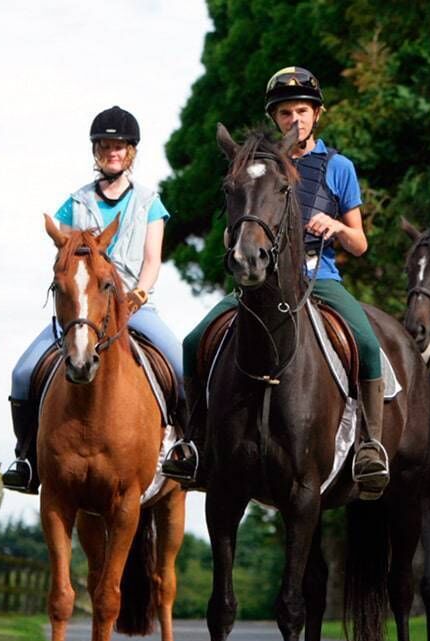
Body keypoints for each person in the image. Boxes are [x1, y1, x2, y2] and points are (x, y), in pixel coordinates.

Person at [162, 66, 390, 497]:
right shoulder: (256, 166)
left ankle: (370, 446)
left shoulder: (338, 167)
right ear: (275, 120)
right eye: (285, 113)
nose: (294, 120)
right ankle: (194, 443)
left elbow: (360, 243)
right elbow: (234, 230)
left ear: (317, 114)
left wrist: (336, 227)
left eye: (302, 111)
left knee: (368, 343)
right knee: (194, 342)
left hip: (318, 278)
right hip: (261, 283)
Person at [2, 106, 181, 494]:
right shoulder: (76, 203)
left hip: (135, 307)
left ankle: (185, 451)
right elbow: (66, 261)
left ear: (130, 152)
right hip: (82, 310)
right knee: (22, 373)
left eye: (119, 147)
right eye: (105, 147)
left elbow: (152, 260)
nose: (112, 153)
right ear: (96, 152)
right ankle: (27, 456)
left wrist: (137, 294)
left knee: (182, 366)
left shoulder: (150, 202)